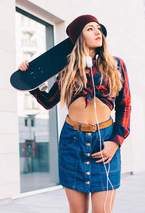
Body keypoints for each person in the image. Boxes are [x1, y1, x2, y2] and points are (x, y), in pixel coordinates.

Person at [18, 15, 131, 213]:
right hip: (72, 142)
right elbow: (48, 101)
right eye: (90, 28)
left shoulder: (116, 65)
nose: (98, 32)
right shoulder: (67, 69)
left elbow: (125, 106)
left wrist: (115, 141)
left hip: (104, 140)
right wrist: (30, 79)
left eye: (98, 28)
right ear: (79, 37)